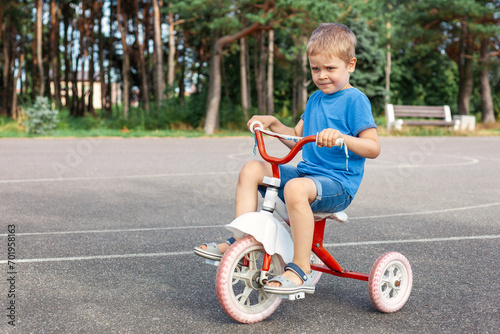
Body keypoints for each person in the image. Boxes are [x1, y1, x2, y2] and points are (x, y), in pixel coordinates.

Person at [194, 23, 380, 295]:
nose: (322, 76)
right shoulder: (315, 100)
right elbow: (296, 136)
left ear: (350, 65)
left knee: (294, 188)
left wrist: (342, 137)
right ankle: (241, 241)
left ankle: (301, 267)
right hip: (308, 177)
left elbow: (373, 147)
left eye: (330, 68)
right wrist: (272, 124)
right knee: (252, 169)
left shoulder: (355, 101)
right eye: (315, 69)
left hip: (337, 184)